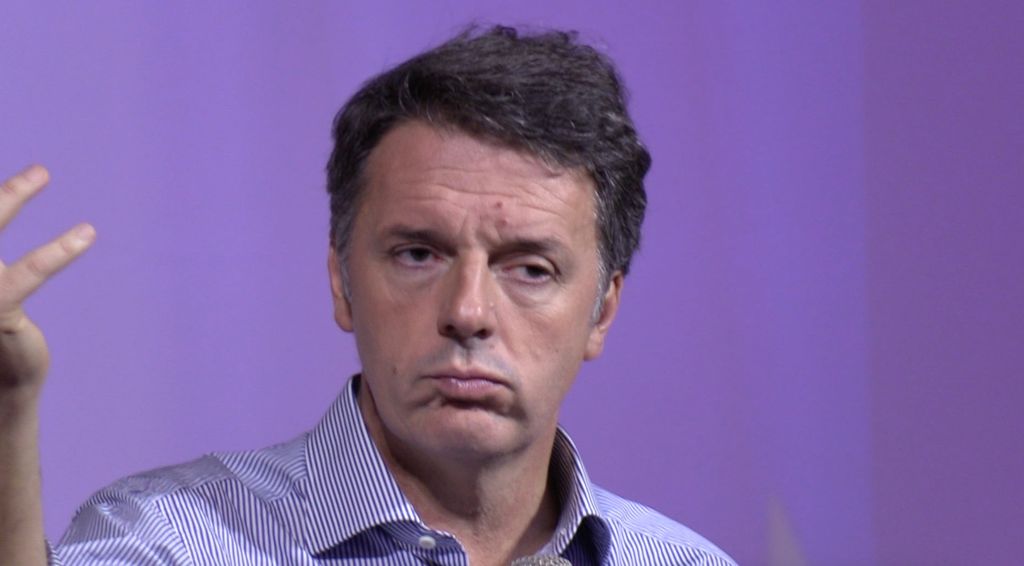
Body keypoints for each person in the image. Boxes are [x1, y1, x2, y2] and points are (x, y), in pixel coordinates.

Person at [0, 26, 735, 565]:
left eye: (530, 269)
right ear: (342, 281)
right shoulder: (172, 540)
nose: (468, 313)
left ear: (602, 310)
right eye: (418, 254)